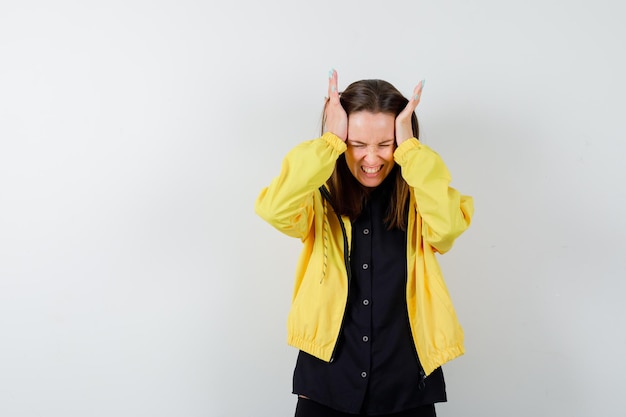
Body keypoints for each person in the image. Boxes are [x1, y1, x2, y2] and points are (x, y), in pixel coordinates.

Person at [255, 70, 474, 417]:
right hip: (326, 384)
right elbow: (274, 207)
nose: (372, 160)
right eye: (357, 144)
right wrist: (329, 142)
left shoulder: (420, 199)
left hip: (406, 388)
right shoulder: (318, 196)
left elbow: (447, 228)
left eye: (385, 144)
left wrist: (412, 152)